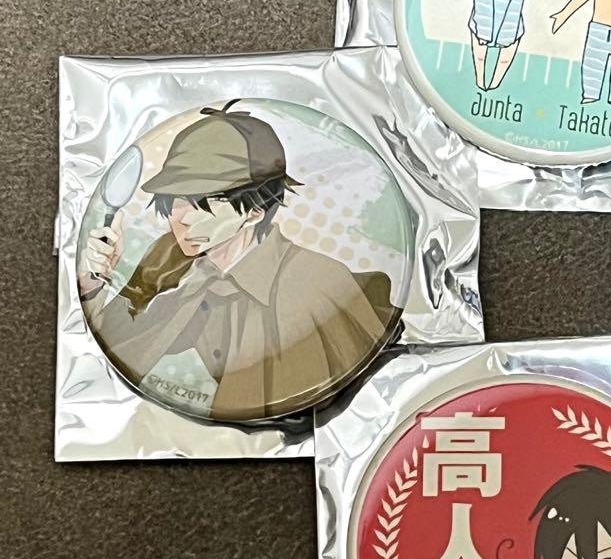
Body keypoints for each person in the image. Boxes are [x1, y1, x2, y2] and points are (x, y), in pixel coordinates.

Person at [79, 100, 400, 421]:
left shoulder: (311, 284)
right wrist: (100, 278)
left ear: (255, 211)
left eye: (207, 203)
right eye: (177, 200)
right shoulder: (181, 261)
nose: (184, 219)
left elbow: (302, 406)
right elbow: (122, 352)